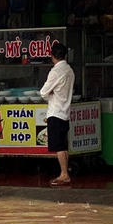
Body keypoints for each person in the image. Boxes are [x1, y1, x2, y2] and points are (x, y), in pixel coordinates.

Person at [39, 42, 75, 186]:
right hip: (65, 111)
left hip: (55, 112)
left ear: (52, 56)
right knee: (64, 145)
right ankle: (65, 172)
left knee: (59, 146)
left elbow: (43, 92)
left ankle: (64, 174)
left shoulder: (55, 72)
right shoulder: (70, 70)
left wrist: (51, 93)